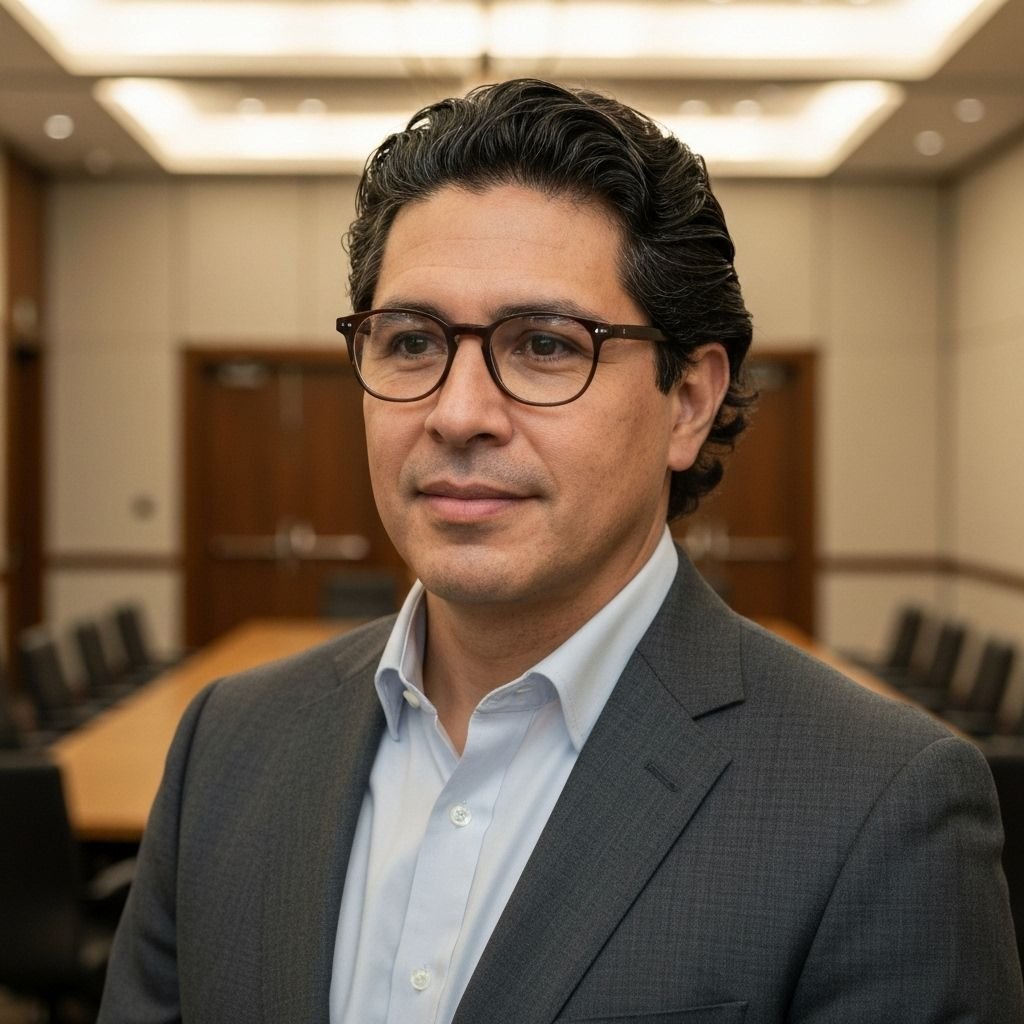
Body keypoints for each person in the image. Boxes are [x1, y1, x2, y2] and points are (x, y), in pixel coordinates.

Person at [98, 79, 1023, 1023]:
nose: (458, 413)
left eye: (544, 345)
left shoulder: (879, 802)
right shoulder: (227, 744)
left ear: (688, 402)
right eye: (411, 341)